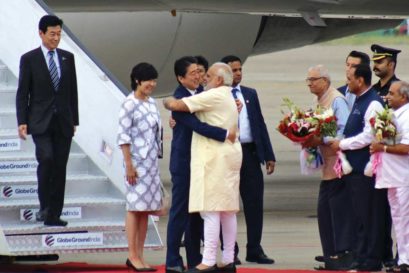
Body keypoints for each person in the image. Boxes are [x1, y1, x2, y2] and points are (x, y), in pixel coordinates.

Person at [164, 62, 242, 273]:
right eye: (197, 73)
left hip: (213, 159)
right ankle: (226, 259)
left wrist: (168, 101)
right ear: (181, 77)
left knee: (210, 210)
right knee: (226, 210)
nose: (202, 77)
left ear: (218, 79)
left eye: (205, 73)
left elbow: (177, 107)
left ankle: (206, 261)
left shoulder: (213, 94)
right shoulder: (226, 95)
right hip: (220, 157)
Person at [16, 15, 79, 227]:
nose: (56, 38)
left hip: (63, 120)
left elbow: (72, 92)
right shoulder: (29, 59)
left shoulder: (67, 58)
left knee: (60, 166)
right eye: (52, 34)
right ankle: (44, 207)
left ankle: (54, 214)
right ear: (41, 33)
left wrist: (74, 119)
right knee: (47, 159)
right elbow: (22, 92)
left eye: (59, 34)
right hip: (40, 121)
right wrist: (22, 120)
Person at [329, 64, 388, 271]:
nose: (347, 83)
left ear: (360, 80)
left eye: (349, 79)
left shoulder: (373, 103)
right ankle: (362, 257)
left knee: (370, 217)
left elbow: (370, 135)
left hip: (366, 170)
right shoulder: (359, 101)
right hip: (355, 170)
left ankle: (371, 260)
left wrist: (342, 144)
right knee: (360, 217)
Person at [220, 55, 276, 265]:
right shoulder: (217, 96)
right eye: (233, 70)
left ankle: (254, 248)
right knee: (227, 204)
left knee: (254, 203)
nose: (238, 73)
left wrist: (268, 154)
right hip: (227, 153)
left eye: (239, 69)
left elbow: (259, 124)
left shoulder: (250, 94)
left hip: (250, 154)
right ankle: (230, 250)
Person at [302, 65, 354, 270]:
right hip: (326, 167)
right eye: (308, 80)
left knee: (337, 214)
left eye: (313, 79)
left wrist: (320, 138)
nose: (310, 83)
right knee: (325, 213)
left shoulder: (336, 100)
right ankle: (330, 255)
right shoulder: (318, 100)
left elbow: (344, 130)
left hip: (338, 166)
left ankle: (341, 257)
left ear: (325, 80)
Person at [117, 62, 162, 272]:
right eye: (148, 81)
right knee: (134, 208)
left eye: (154, 80)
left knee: (145, 211)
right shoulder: (129, 104)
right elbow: (123, 136)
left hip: (151, 163)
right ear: (137, 80)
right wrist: (128, 164)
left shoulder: (152, 102)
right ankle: (132, 255)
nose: (152, 84)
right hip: (135, 163)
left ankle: (141, 255)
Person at [369, 81, 409, 273]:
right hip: (392, 177)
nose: (388, 96)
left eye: (392, 94)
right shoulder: (392, 114)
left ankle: (406, 260)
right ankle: (403, 260)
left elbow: (407, 148)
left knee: (406, 220)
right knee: (399, 220)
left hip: (404, 178)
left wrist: (382, 147)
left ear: (404, 97)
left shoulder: (407, 116)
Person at [371, 44, 399, 270]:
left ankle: (400, 256)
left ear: (391, 64)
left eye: (379, 62)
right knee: (380, 211)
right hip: (378, 160)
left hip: (396, 159)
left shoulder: (400, 90)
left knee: (399, 213)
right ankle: (383, 252)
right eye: (374, 62)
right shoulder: (372, 91)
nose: (375, 66)